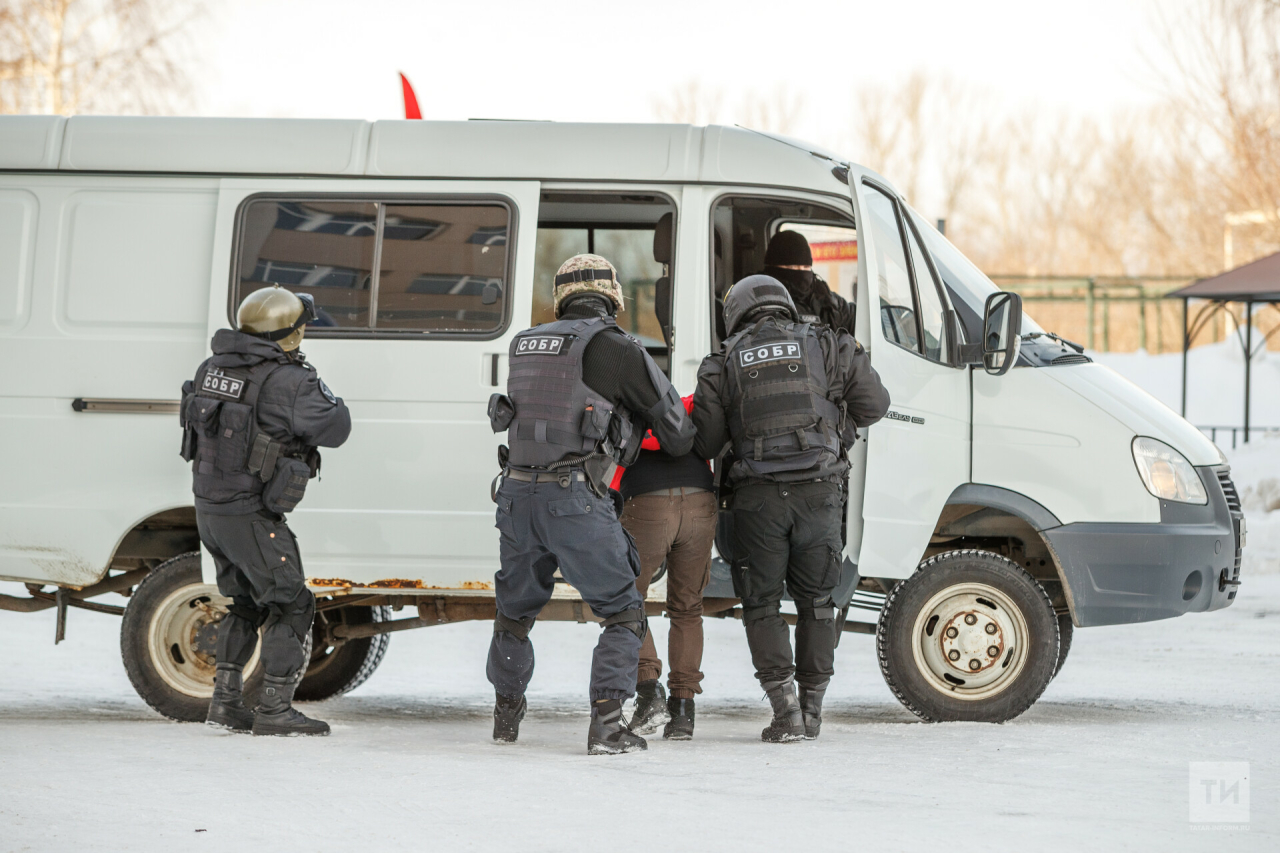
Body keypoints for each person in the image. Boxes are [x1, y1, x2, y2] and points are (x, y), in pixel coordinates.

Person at [487, 253, 696, 755]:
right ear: (613, 297)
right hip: (574, 499)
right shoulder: (617, 349)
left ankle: (505, 715)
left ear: (560, 296)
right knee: (623, 610)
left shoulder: (524, 343)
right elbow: (679, 434)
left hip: (514, 494)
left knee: (514, 613)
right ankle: (606, 724)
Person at [692, 275, 889, 743]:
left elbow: (706, 440)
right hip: (819, 493)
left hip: (757, 500)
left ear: (735, 313)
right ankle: (814, 711)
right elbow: (875, 404)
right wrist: (833, 424)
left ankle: (786, 712)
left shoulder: (722, 360)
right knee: (818, 602)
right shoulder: (829, 343)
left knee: (761, 603)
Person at [182, 285, 352, 736]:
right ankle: (275, 709)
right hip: (250, 514)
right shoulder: (289, 379)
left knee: (243, 603)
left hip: (210, 510)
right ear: (290, 334)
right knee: (292, 603)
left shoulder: (211, 368)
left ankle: (225, 705)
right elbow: (337, 426)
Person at [617, 392, 716, 740]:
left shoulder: (626, 410)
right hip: (701, 499)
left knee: (629, 600)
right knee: (688, 608)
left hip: (647, 502)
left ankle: (649, 689)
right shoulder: (686, 408)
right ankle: (683, 713)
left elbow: (612, 475)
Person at [762, 230, 857, 334]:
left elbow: (855, 316)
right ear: (772, 267)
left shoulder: (825, 297)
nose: (801, 272)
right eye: (793, 267)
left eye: (806, 267)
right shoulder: (762, 299)